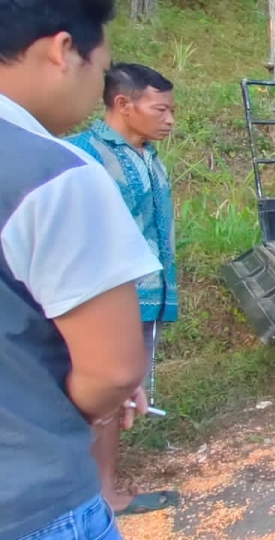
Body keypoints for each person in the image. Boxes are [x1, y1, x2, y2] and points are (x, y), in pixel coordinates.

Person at [0, 1, 163, 539]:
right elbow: (113, 372)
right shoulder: (55, 173)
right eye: (99, 67)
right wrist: (92, 396)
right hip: (32, 499)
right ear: (62, 50)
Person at [68, 63, 182, 516]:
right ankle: (98, 496)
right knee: (101, 389)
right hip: (102, 299)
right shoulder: (83, 156)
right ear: (123, 104)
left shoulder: (148, 156)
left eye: (172, 110)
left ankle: (101, 486)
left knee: (119, 394)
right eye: (161, 109)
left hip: (147, 295)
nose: (170, 119)